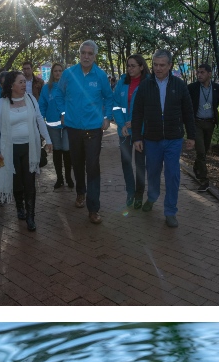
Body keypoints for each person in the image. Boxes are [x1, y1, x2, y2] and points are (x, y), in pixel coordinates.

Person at [131, 49, 196, 228]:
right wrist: (137, 137)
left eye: (162, 65)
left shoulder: (179, 85)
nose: (158, 68)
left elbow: (188, 112)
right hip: (151, 139)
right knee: (152, 172)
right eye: (155, 64)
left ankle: (170, 211)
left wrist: (191, 136)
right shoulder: (145, 86)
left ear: (169, 66)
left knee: (172, 174)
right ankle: (152, 197)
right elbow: (137, 113)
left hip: (173, 139)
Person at [57, 40, 114, 224]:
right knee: (78, 163)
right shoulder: (69, 73)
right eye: (83, 53)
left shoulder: (100, 75)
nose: (86, 56)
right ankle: (80, 192)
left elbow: (109, 97)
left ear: (95, 56)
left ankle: (93, 208)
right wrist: (64, 112)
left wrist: (107, 117)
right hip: (73, 128)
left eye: (90, 53)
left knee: (92, 166)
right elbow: (59, 94)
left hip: (94, 129)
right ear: (79, 54)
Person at [0, 71, 52, 232]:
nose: (24, 84)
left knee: (29, 182)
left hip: (30, 147)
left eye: (25, 82)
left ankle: (31, 216)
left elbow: (40, 120)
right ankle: (20, 207)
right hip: (10, 149)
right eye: (21, 82)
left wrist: (48, 140)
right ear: (11, 85)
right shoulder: (0, 104)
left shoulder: (31, 100)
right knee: (17, 182)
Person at [112, 54, 149, 209]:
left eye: (133, 65)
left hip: (140, 131)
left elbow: (149, 108)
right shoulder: (122, 82)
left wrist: (135, 123)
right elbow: (115, 105)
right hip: (124, 131)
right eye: (128, 65)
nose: (130, 68)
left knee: (140, 164)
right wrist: (122, 125)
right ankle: (130, 192)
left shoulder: (148, 83)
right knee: (126, 162)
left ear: (141, 67)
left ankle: (139, 195)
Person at [187, 63, 219, 191]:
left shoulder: (217, 88)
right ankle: (204, 179)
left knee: (205, 150)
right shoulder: (192, 88)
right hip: (196, 123)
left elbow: (216, 104)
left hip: (210, 123)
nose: (199, 75)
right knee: (200, 151)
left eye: (202, 72)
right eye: (198, 72)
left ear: (209, 74)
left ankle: (197, 167)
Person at [38, 62, 73, 190]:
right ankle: (59, 178)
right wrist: (40, 119)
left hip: (68, 124)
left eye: (60, 70)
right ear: (52, 73)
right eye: (55, 71)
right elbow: (42, 105)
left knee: (66, 149)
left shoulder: (68, 86)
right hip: (52, 124)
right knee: (57, 150)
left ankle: (69, 177)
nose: (58, 73)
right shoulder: (46, 88)